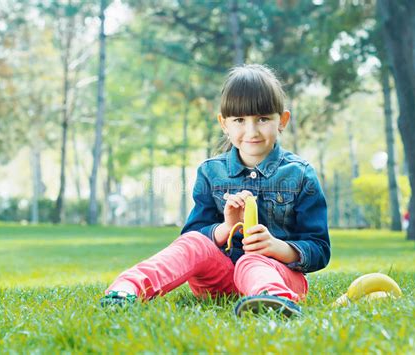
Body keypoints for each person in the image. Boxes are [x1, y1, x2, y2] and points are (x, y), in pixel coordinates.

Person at [100, 64, 330, 317]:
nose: (251, 131)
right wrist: (225, 228)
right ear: (224, 123)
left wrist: (277, 248)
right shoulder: (211, 173)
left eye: (263, 119)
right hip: (220, 280)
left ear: (282, 120)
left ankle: (273, 302)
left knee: (251, 261)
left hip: (278, 276)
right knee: (194, 243)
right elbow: (192, 236)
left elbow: (319, 248)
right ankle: (127, 289)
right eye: (240, 120)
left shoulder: (300, 174)